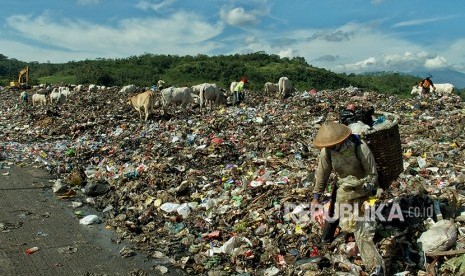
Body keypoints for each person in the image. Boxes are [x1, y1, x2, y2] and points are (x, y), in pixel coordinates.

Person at [311, 122, 384, 276]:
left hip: (363, 185)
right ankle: (326, 239)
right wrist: (316, 197)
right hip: (344, 186)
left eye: (332, 145)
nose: (330, 147)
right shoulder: (328, 152)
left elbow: (372, 174)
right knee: (333, 212)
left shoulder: (359, 146)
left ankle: (373, 263)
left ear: (340, 140)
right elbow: (322, 175)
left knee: (361, 224)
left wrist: (365, 188)